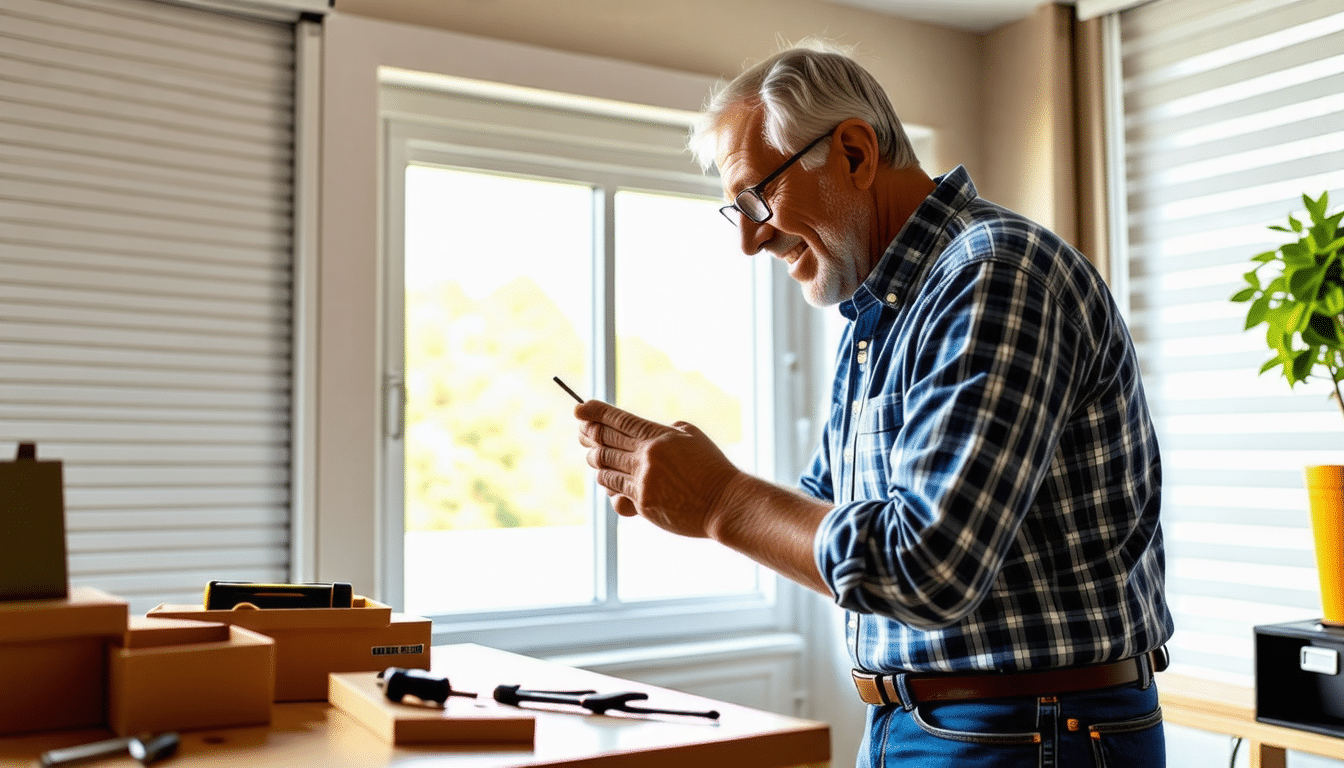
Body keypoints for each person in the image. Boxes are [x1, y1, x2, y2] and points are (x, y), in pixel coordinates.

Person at [574, 39, 1173, 768]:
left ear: (854, 153)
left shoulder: (994, 274)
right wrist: (683, 483)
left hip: (1024, 729)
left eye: (758, 199)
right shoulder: (880, 314)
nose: (751, 242)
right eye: (736, 212)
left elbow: (927, 565)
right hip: (936, 723)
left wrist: (719, 500)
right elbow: (833, 519)